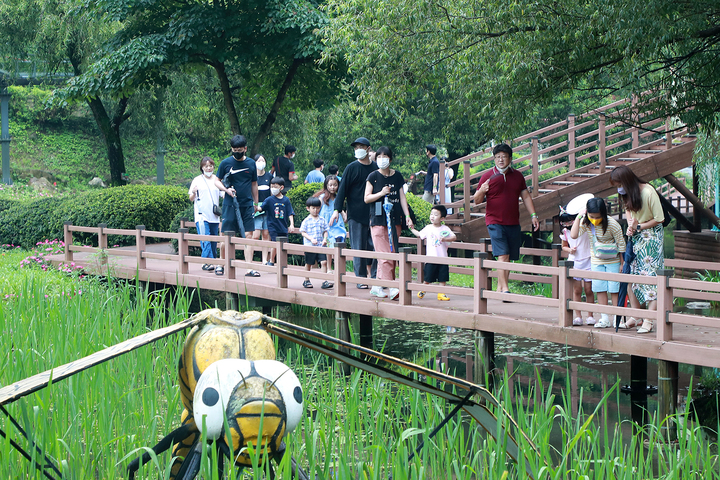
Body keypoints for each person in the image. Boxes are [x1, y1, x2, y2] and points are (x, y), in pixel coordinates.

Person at [472, 143, 540, 298]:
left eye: (504, 156)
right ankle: (505, 289)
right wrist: (482, 190)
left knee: (508, 255)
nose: (500, 160)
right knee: (502, 254)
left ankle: (499, 288)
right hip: (494, 221)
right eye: (497, 157)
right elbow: (476, 200)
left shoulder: (517, 176)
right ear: (494, 159)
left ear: (510, 158)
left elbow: (526, 197)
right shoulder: (487, 176)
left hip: (513, 222)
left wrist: (533, 215)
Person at [610, 165, 665, 334]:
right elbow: (629, 213)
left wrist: (639, 226)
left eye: (619, 184)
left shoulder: (648, 192)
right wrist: (631, 227)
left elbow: (660, 218)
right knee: (631, 273)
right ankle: (636, 315)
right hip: (636, 235)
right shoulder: (627, 193)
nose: (618, 188)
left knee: (649, 276)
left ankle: (649, 319)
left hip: (652, 237)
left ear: (626, 181)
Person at [364, 146, 413, 299]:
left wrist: (407, 215)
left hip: (394, 219)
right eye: (379, 156)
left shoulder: (397, 176)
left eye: (385, 156)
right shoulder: (373, 176)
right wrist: (381, 193)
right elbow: (366, 198)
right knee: (384, 255)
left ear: (390, 159)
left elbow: (402, 197)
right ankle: (392, 288)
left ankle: (377, 287)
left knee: (391, 253)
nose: (382, 159)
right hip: (378, 219)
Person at [570, 198, 626, 329]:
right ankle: (604, 318)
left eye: (598, 217)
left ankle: (617, 319)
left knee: (614, 289)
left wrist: (622, 264)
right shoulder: (587, 223)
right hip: (596, 260)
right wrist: (579, 216)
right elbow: (573, 235)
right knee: (600, 289)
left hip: (613, 260)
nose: (595, 219)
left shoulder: (612, 224)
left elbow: (621, 244)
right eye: (592, 216)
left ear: (604, 214)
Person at [330, 136, 378, 288]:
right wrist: (337, 210)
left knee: (376, 246)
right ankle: (361, 279)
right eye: (356, 148)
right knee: (358, 247)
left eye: (361, 147)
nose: (358, 150)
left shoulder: (376, 168)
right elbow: (342, 190)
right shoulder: (351, 168)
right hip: (355, 214)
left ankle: (376, 277)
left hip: (374, 213)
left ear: (368, 149)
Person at [216, 135, 258, 277]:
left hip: (246, 204)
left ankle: (249, 267)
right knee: (226, 236)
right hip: (230, 204)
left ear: (245, 149)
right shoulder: (225, 163)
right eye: (234, 149)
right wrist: (226, 190)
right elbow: (217, 181)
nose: (237, 152)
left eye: (239, 149)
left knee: (249, 235)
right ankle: (221, 264)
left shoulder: (252, 164)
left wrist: (256, 203)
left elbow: (254, 184)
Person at [410, 205, 456, 301]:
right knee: (428, 277)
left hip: (442, 258)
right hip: (431, 258)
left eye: (435, 215)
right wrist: (412, 229)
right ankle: (423, 290)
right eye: (431, 214)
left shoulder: (445, 229)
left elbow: (454, 237)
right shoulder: (428, 228)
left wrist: (445, 239)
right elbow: (420, 235)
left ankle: (441, 293)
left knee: (442, 277)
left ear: (442, 218)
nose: (432, 216)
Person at [559, 210, 595, 325]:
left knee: (589, 290)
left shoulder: (584, 227)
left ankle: (590, 315)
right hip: (574, 261)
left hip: (588, 260)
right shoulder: (565, 232)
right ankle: (578, 316)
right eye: (564, 222)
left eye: (569, 221)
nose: (567, 224)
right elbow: (563, 246)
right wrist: (570, 250)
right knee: (577, 290)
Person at [188, 157, 222, 272]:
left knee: (213, 240)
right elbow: (191, 198)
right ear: (202, 167)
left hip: (214, 215)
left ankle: (212, 261)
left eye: (210, 166)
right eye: (206, 166)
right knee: (205, 239)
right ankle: (207, 261)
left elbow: (223, 194)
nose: (208, 168)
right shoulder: (197, 180)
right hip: (201, 215)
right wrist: (194, 192)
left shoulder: (217, 180)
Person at [257, 177, 294, 265]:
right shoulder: (269, 199)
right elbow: (261, 208)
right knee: (275, 242)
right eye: (271, 186)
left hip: (283, 226)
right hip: (272, 225)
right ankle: (271, 260)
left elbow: (290, 212)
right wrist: (255, 207)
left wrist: (291, 224)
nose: (273, 188)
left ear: (281, 187)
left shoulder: (286, 200)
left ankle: (282, 262)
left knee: (284, 244)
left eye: (275, 186)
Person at [314, 175, 347, 273]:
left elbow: (341, 210)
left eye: (335, 185)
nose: (333, 187)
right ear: (326, 185)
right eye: (330, 185)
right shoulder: (322, 198)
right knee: (328, 247)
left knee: (340, 245)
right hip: (327, 227)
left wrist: (344, 216)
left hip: (338, 226)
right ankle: (329, 268)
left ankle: (339, 268)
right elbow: (316, 211)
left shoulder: (338, 198)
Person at [300, 197, 332, 289]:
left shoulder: (322, 219)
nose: (315, 210)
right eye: (313, 208)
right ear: (308, 208)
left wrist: (325, 239)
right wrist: (310, 239)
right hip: (310, 246)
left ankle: (324, 281)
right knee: (309, 263)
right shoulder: (306, 220)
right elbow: (303, 232)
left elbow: (326, 230)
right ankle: (306, 280)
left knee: (324, 262)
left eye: (317, 208)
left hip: (321, 245)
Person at [251, 153, 273, 265]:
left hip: (267, 209)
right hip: (256, 210)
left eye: (262, 160)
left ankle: (264, 260)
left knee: (266, 235)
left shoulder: (269, 177)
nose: (261, 163)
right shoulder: (252, 177)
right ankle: (250, 259)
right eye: (258, 160)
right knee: (255, 235)